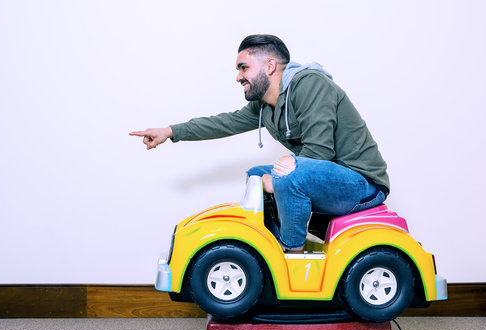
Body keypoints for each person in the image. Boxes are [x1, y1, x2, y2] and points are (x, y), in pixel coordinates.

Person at [130, 34, 389, 252]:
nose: (238, 77)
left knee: (287, 171)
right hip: (325, 179)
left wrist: (279, 180)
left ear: (270, 66)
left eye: (244, 67)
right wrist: (170, 131)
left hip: (362, 183)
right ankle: (270, 247)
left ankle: (291, 252)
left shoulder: (310, 85)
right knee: (257, 175)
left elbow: (319, 152)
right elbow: (223, 123)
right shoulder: (264, 106)